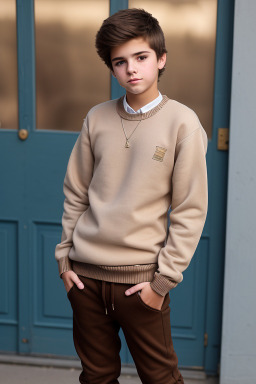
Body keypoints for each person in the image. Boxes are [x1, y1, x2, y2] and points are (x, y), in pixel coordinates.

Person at [55, 8, 208, 384]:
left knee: (160, 378)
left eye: (140, 58)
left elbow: (190, 210)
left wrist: (162, 283)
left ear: (161, 58)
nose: (131, 70)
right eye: (120, 62)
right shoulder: (96, 118)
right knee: (96, 376)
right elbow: (76, 193)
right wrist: (64, 261)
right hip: (85, 280)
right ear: (111, 69)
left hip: (140, 284)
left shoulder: (183, 123)